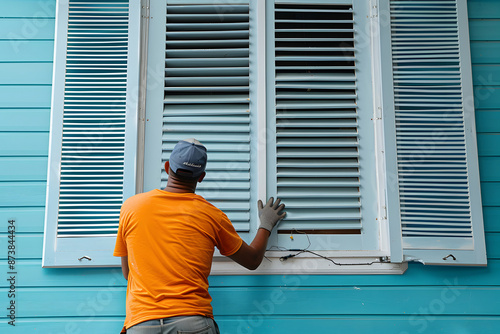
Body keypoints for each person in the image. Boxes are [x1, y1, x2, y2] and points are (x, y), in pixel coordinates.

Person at [113, 138, 286, 334]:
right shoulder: (211, 215)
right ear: (201, 177)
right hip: (192, 321)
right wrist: (266, 224)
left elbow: (129, 274)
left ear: (168, 166)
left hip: (142, 323)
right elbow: (253, 259)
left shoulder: (131, 207)